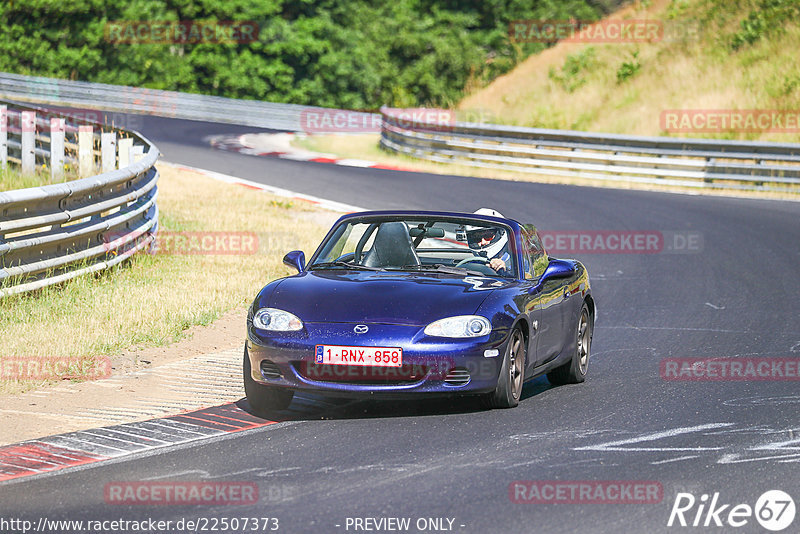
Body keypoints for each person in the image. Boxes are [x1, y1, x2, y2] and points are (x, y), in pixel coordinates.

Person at [466, 208, 511, 274]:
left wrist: (505, 271)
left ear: (501, 233)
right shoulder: (473, 263)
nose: (482, 242)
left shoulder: (517, 264)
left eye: (488, 236)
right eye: (476, 238)